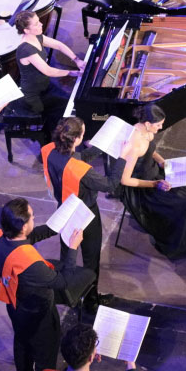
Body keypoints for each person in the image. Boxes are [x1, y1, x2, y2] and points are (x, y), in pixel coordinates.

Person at [0, 198, 95, 371]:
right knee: (45, 354)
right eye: (32, 217)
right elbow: (64, 281)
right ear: (23, 226)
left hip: (16, 306)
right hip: (38, 316)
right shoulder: (32, 265)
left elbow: (32, 236)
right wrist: (73, 247)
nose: (34, 217)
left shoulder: (0, 240)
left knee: (22, 344)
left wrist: (54, 227)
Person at [112, 103, 186, 259]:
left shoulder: (146, 131)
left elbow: (151, 151)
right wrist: (155, 184)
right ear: (147, 124)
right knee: (185, 202)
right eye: (158, 125)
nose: (160, 127)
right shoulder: (134, 143)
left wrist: (161, 161)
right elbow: (125, 180)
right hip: (143, 189)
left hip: (155, 174)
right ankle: (185, 243)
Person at [43, 116, 111, 278]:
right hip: (85, 211)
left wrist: (99, 147)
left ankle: (64, 286)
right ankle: (90, 298)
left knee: (66, 251)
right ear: (77, 138)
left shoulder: (50, 150)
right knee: (91, 254)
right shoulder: (80, 169)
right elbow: (109, 185)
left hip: (64, 207)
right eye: (83, 134)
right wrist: (123, 159)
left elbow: (76, 159)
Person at [14, 9, 78, 121]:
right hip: (34, 95)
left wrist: (77, 60)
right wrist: (74, 73)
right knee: (61, 116)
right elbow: (49, 71)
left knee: (71, 103)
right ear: (26, 30)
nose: (41, 24)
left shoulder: (37, 37)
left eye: (39, 21)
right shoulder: (25, 49)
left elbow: (58, 45)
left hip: (45, 86)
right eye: (36, 24)